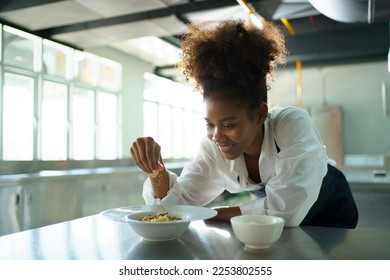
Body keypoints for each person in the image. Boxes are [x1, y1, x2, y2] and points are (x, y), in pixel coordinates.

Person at [130, 19, 358, 228]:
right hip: (277, 223)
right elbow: (174, 208)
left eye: (228, 125)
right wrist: (155, 171)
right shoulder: (213, 149)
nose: (217, 136)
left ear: (259, 114)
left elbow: (285, 214)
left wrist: (207, 214)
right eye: (210, 124)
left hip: (331, 209)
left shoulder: (291, 124)